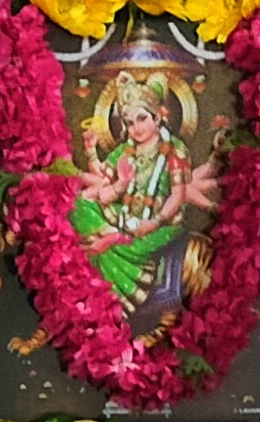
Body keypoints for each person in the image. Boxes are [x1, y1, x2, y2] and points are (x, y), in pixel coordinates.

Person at [70, 71, 193, 322]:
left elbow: (178, 196)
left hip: (161, 224)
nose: (136, 128)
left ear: (157, 116)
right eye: (129, 122)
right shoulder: (124, 151)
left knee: (111, 247)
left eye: (141, 119)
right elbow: (104, 182)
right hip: (125, 217)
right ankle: (112, 236)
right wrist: (94, 154)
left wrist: (154, 223)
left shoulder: (176, 151)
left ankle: (109, 307)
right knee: (77, 204)